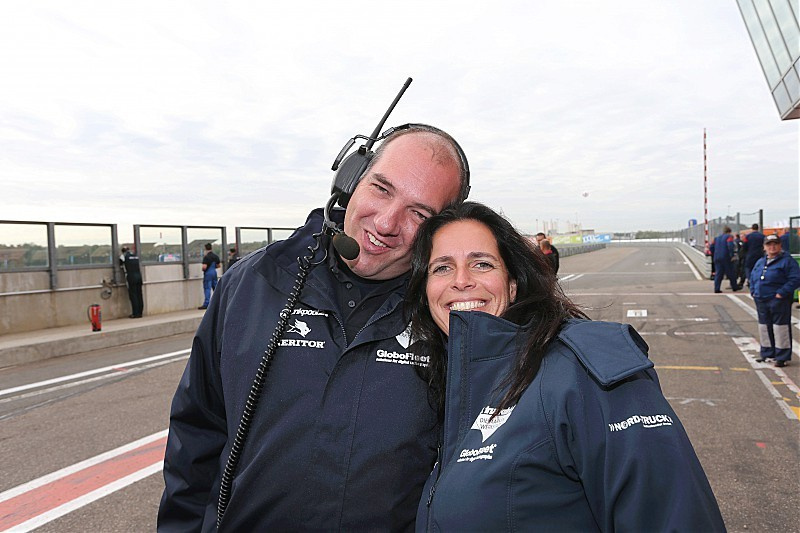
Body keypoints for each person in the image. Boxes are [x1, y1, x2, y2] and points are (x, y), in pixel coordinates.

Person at [158, 125, 470, 531]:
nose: (387, 222)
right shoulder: (253, 283)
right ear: (350, 180)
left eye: (419, 213)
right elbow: (197, 433)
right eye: (381, 189)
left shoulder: (452, 312)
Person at [407, 202, 725, 532]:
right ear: (425, 288)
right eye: (441, 268)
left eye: (482, 264)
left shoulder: (585, 371)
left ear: (512, 285)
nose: (461, 280)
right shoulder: (449, 381)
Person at [750, 233, 800, 368]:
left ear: (780, 246)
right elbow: (753, 276)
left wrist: (781, 293)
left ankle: (782, 356)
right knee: (764, 327)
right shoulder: (761, 261)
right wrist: (753, 291)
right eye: (769, 245)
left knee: (780, 327)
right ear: (764, 247)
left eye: (775, 244)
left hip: (778, 300)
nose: (772, 247)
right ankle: (767, 353)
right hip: (761, 299)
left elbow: (795, 279)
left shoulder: (787, 261)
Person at [710, 226, 740, 293]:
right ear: (729, 232)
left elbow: (711, 247)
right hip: (726, 257)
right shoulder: (729, 237)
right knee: (731, 272)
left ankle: (717, 288)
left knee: (718, 273)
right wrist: (731, 255)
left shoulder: (716, 238)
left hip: (717, 257)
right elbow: (730, 246)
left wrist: (714, 253)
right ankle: (734, 286)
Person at [119, 246, 143, 318]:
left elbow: (120, 265)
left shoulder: (123, 256)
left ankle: (135, 313)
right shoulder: (135, 256)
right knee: (139, 294)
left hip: (131, 277)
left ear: (123, 251)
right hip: (139, 276)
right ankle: (140, 312)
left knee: (133, 295)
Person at [198, 243, 221, 310]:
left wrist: (203, 269)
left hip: (208, 274)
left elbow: (204, 267)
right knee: (215, 288)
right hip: (214, 273)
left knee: (207, 288)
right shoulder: (215, 256)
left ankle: (207, 303)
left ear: (205, 248)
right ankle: (219, 302)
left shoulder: (206, 257)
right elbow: (219, 265)